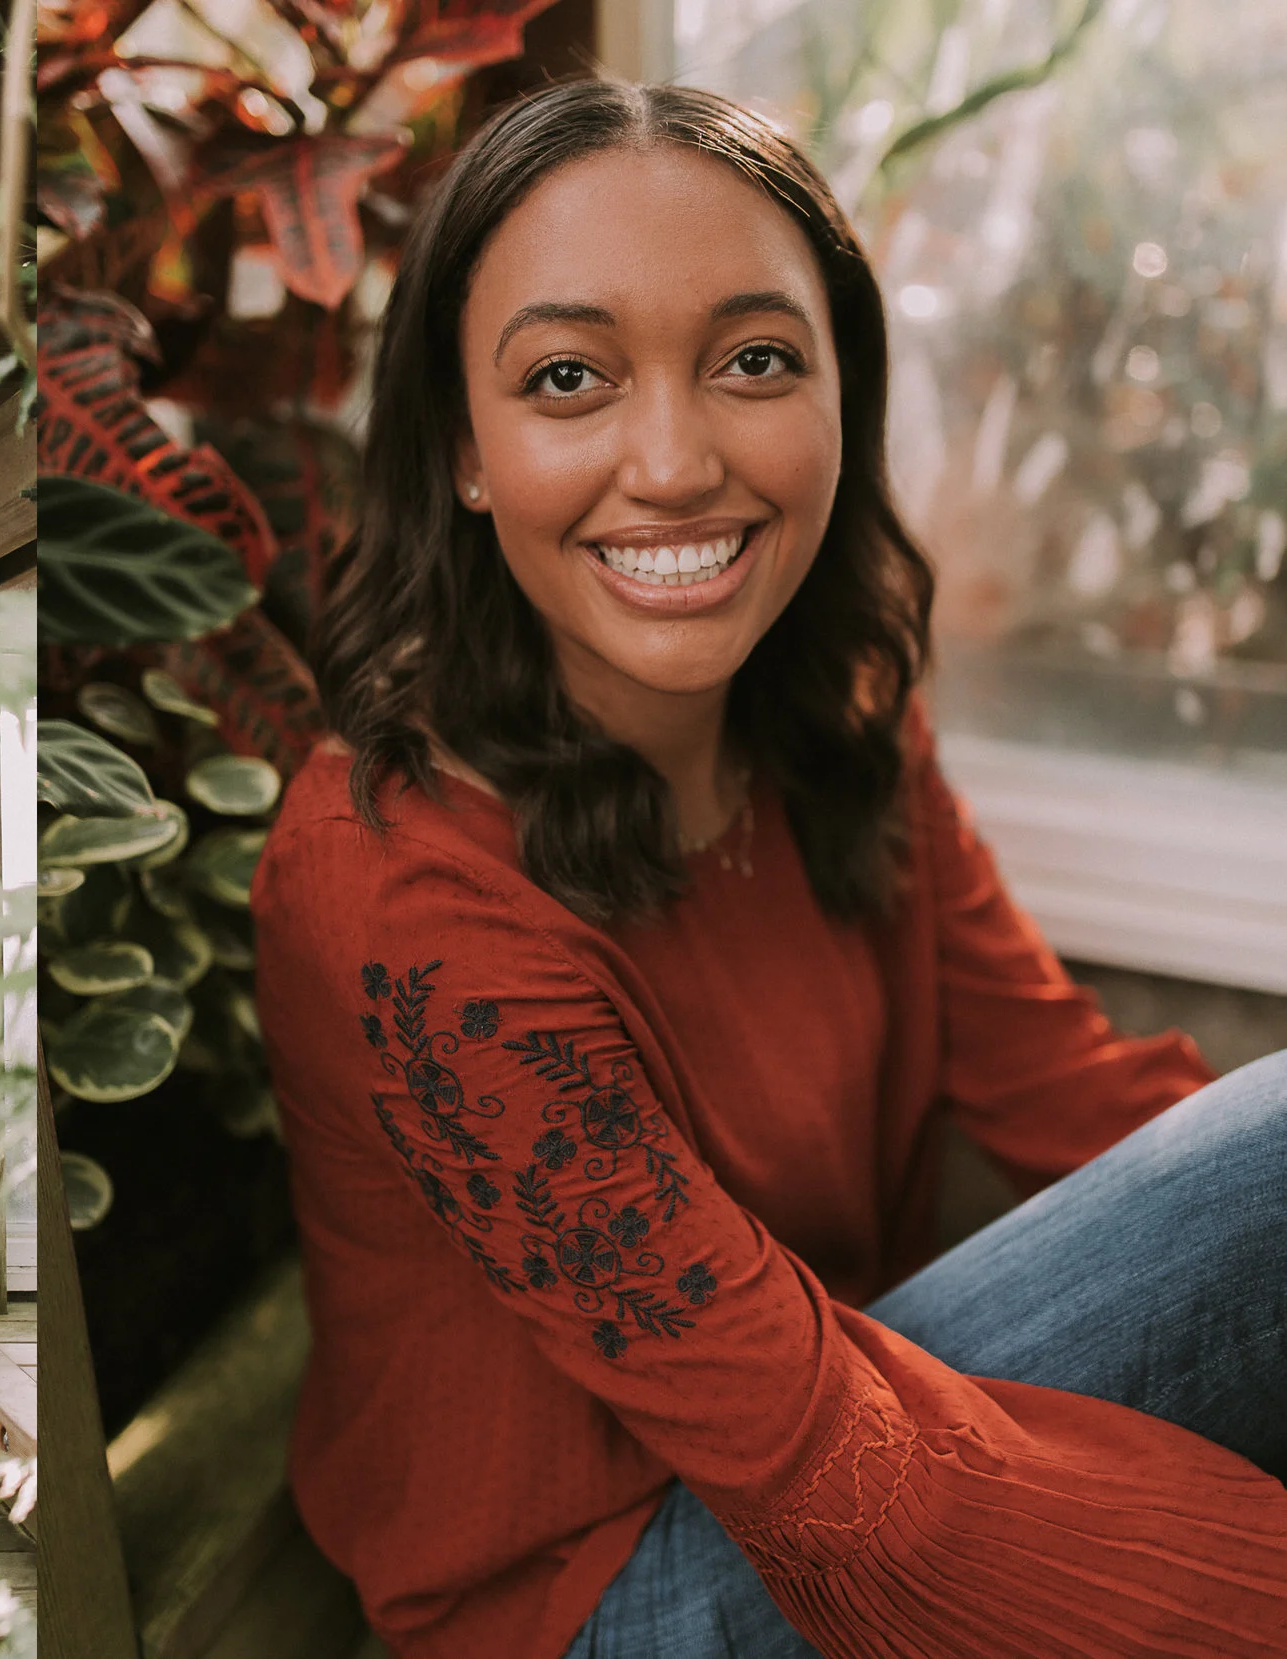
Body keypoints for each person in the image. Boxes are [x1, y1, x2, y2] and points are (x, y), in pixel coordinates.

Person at [253, 78, 1287, 1659]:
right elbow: (851, 1483)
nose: (671, 462)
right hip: (592, 1593)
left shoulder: (836, 719)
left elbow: (1092, 1111)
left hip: (844, 1410)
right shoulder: (395, 881)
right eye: (570, 377)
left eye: (752, 361)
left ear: (842, 399)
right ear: (464, 448)